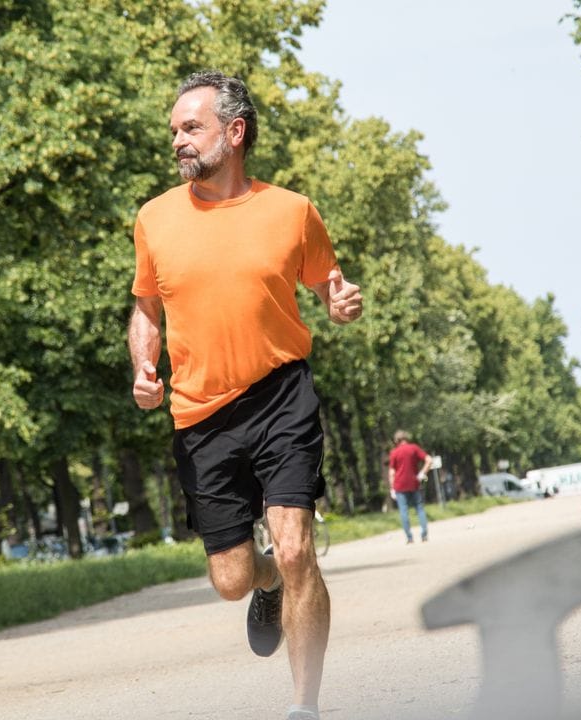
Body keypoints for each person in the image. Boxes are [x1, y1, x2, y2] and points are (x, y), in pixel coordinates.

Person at [128, 70, 362, 720]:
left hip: (282, 396)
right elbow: (146, 308)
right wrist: (145, 367)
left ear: (234, 133)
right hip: (201, 415)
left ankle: (303, 707)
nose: (177, 140)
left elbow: (330, 289)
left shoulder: (292, 211)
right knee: (233, 579)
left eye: (190, 128)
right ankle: (264, 582)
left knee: (296, 550)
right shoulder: (154, 219)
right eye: (173, 130)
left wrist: (342, 305)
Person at [387, 430, 433, 544]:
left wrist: (392, 488)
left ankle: (409, 538)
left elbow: (392, 472)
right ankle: (424, 535)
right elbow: (429, 460)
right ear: (406, 438)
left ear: (396, 440)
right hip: (414, 483)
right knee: (419, 508)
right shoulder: (414, 448)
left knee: (403, 511)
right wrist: (422, 473)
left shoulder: (394, 452)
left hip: (399, 485)